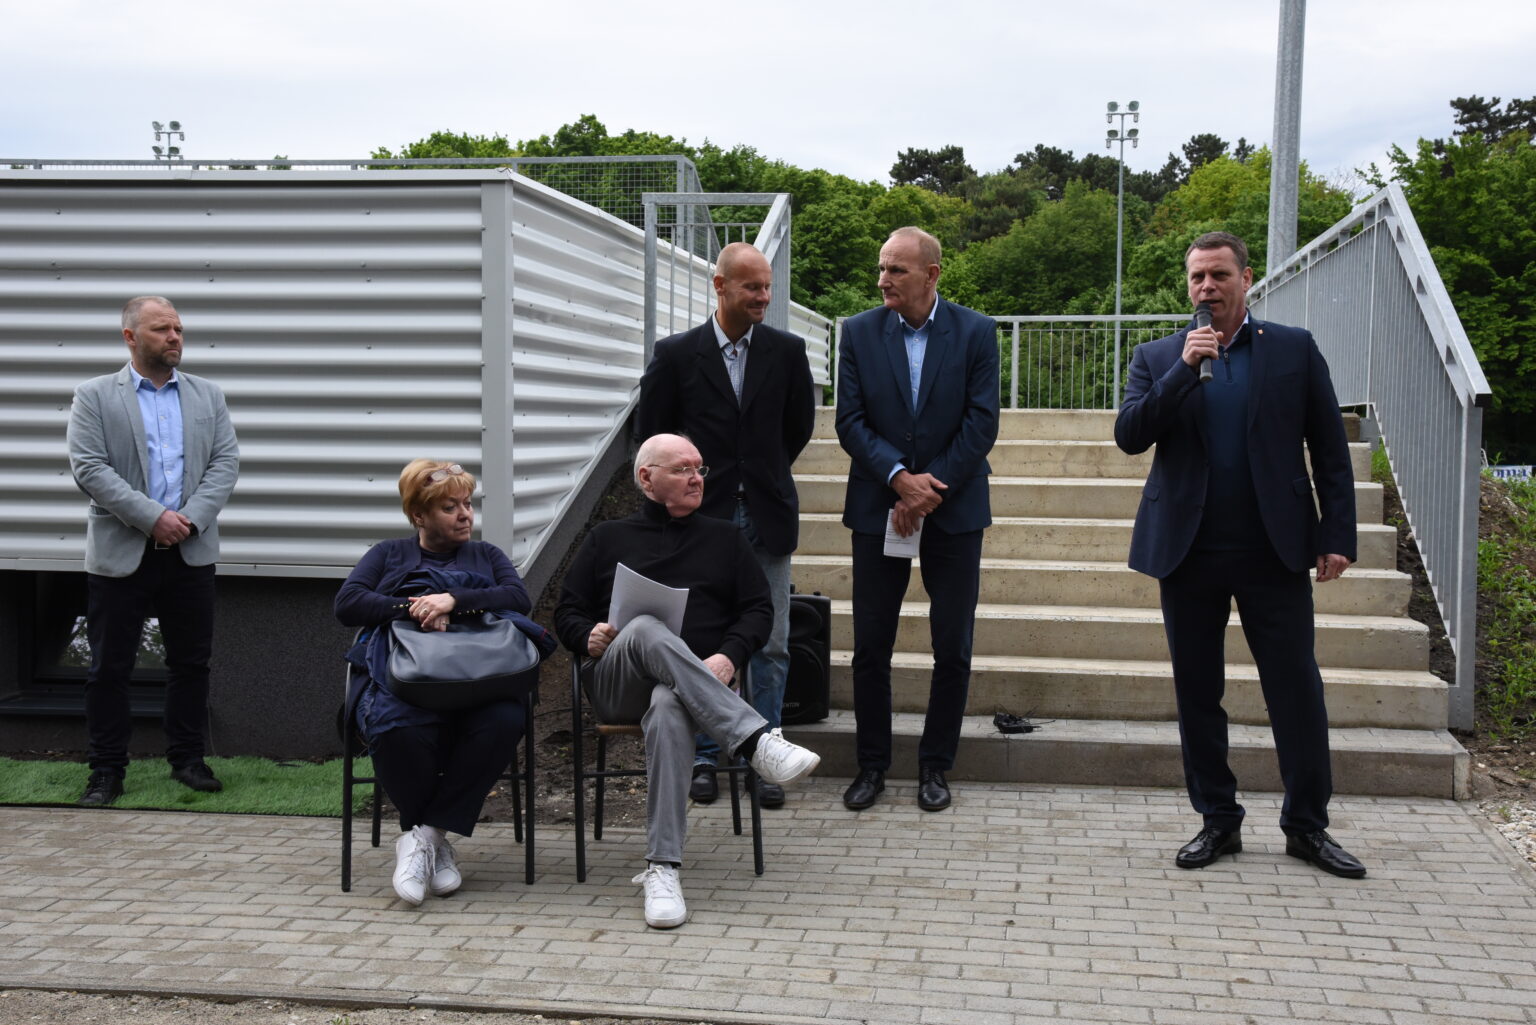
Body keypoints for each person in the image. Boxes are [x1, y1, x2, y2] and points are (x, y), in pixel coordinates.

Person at [1114, 230, 1366, 879]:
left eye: (1219, 275)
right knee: (1198, 692)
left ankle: (1307, 826)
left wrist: (1337, 534)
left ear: (1246, 279)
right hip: (1188, 551)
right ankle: (1218, 820)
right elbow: (1130, 435)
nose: (1207, 287)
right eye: (1197, 277)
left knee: (1296, 690)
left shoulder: (1293, 349)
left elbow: (1329, 450)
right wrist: (1181, 371)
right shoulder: (1158, 356)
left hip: (1272, 550)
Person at [555, 433, 821, 929]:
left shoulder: (725, 538)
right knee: (645, 628)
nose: (697, 478)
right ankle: (754, 739)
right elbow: (566, 611)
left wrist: (728, 656)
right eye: (682, 469)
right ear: (646, 478)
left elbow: (758, 611)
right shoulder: (607, 538)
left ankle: (663, 868)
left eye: (700, 468)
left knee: (668, 701)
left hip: (689, 693)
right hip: (618, 683)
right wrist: (585, 634)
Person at [636, 241, 817, 809]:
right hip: (700, 518)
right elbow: (651, 435)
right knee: (701, 640)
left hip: (767, 514)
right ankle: (706, 757)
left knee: (773, 641)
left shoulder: (787, 351)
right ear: (720, 286)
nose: (763, 296)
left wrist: (760, 477)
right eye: (752, 287)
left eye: (767, 287)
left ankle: (765, 754)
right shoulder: (675, 355)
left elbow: (797, 429)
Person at [834, 227, 1000, 813]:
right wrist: (898, 478)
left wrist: (927, 489)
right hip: (879, 503)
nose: (883, 280)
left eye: (896, 270)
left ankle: (935, 765)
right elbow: (850, 421)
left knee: (952, 645)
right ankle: (872, 765)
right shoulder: (857, 332)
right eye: (881, 268)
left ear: (931, 275)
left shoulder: (976, 331)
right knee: (870, 647)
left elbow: (982, 422)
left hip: (954, 508)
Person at [335, 459, 548, 906]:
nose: (465, 515)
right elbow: (348, 603)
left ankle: (426, 837)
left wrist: (454, 600)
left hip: (482, 678)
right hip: (408, 678)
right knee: (394, 725)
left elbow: (518, 598)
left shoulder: (486, 555)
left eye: (467, 504)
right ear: (419, 515)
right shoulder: (388, 554)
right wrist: (416, 607)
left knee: (505, 719)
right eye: (450, 507)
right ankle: (435, 842)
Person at [66, 296, 240, 807]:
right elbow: (89, 468)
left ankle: (188, 760)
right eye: (162, 329)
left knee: (191, 664)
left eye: (178, 328)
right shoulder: (95, 395)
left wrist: (188, 520)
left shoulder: (208, 395)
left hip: (190, 550)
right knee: (108, 668)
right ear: (130, 337)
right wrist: (152, 518)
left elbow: (225, 462)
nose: (175, 337)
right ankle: (106, 771)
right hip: (121, 553)